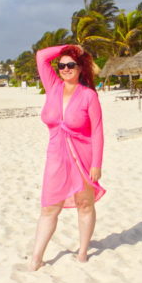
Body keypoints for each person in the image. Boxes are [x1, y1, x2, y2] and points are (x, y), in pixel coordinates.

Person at [30, 44, 105, 270]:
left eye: (70, 64)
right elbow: (41, 57)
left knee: (85, 204)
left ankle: (82, 251)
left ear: (81, 68)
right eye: (61, 65)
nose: (65, 69)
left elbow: (98, 131)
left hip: (82, 157)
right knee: (49, 208)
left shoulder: (89, 96)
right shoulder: (52, 86)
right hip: (56, 157)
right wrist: (68, 47)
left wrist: (96, 164)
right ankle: (36, 257)